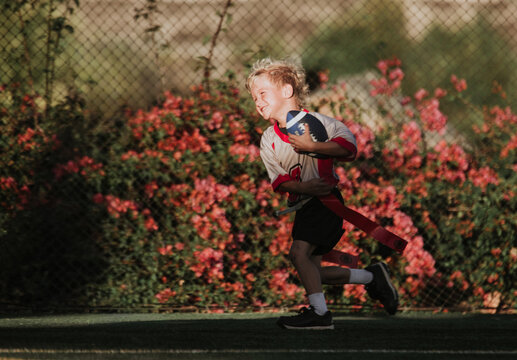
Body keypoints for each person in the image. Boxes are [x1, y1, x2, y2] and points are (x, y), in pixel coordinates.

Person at [246, 58, 399, 330]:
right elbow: (280, 182)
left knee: (299, 255)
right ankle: (371, 277)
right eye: (253, 97)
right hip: (305, 205)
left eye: (262, 93)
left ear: (287, 90)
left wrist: (312, 145)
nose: (257, 101)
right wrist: (303, 187)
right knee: (313, 270)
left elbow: (349, 149)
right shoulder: (268, 139)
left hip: (325, 204)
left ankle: (319, 314)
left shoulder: (321, 123)